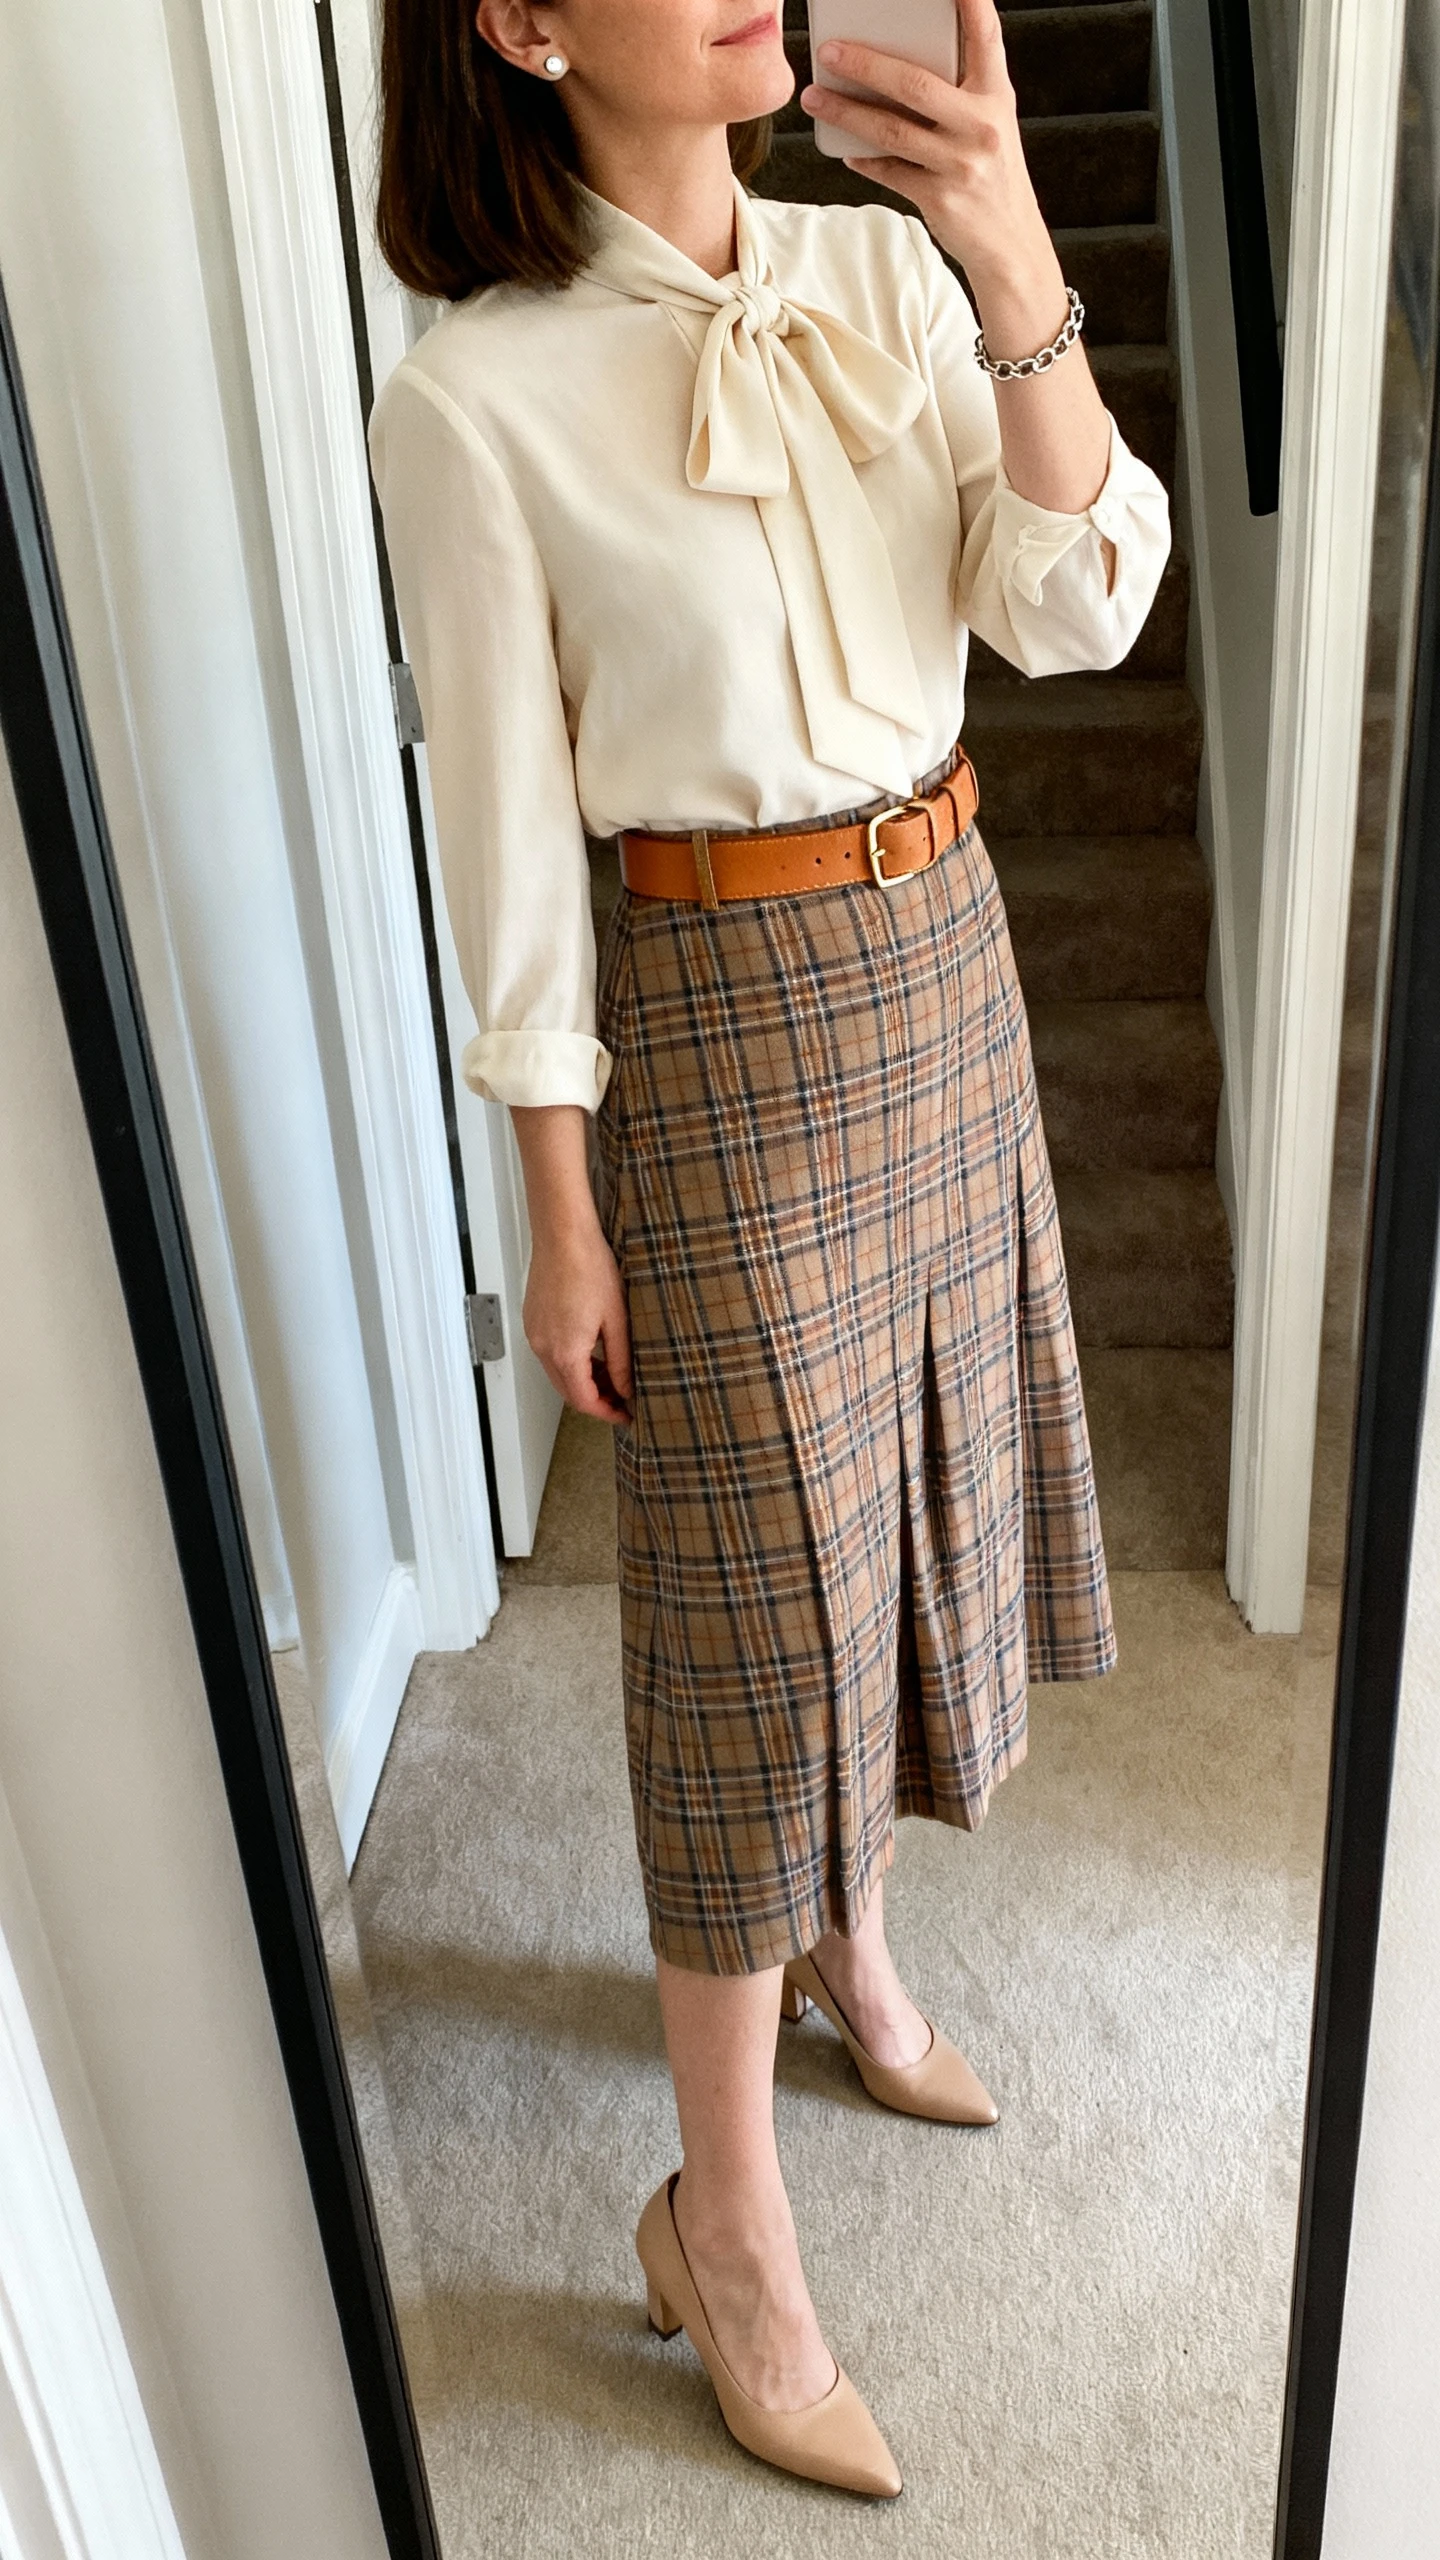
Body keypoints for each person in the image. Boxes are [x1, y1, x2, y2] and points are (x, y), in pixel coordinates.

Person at [369, 0, 1170, 2498]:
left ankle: (860, 1951)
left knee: (916, 1507)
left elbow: (1079, 605)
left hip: (944, 957)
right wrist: (556, 1209)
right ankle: (727, 2223)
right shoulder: (474, 399)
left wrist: (1010, 226)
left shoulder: (886, 270)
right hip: (711, 1013)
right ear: (516, 22)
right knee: (743, 1616)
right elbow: (508, 851)